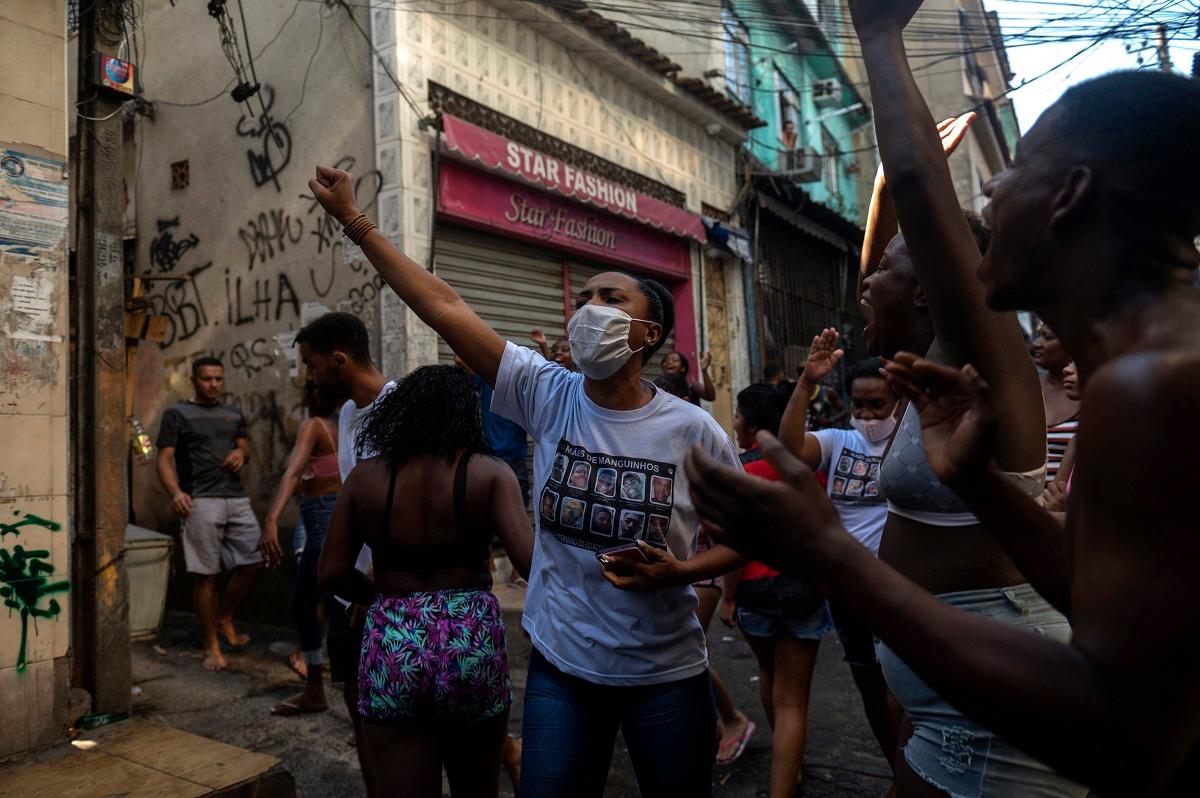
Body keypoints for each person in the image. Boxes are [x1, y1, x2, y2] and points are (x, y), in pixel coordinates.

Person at [685, 4, 1200, 793]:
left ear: (1068, 198)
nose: (992, 188)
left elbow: (1130, 738)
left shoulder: (1156, 382)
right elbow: (1091, 596)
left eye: (1016, 168)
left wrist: (824, 549)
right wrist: (976, 486)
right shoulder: (1141, 368)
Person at [307, 164, 744, 798]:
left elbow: (743, 542)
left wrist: (684, 578)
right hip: (562, 670)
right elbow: (443, 305)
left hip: (666, 674)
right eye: (584, 297)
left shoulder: (694, 431)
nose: (588, 309)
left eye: (610, 298)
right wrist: (354, 221)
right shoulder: (548, 393)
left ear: (649, 334)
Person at [317, 365, 533, 797]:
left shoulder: (367, 477)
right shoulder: (489, 473)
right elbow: (530, 564)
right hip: (469, 638)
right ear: (466, 413)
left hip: (393, 634)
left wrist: (381, 595)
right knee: (478, 787)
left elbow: (332, 571)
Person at [777, 334, 903, 776]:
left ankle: (912, 778)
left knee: (903, 692)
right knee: (869, 686)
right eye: (859, 405)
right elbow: (790, 448)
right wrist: (805, 384)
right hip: (849, 592)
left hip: (900, 590)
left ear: (897, 402)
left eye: (878, 405)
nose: (867, 415)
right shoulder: (837, 442)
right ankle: (895, 771)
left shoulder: (910, 444)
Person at [719, 380, 827, 797]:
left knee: (769, 673)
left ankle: (787, 772)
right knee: (793, 699)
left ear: (750, 426)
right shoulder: (808, 469)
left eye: (739, 416)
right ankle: (789, 771)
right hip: (803, 589)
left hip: (754, 592)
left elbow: (736, 545)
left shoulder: (739, 470)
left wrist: (728, 596)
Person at [294, 312, 392, 764]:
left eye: (311, 366)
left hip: (392, 589)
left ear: (338, 361)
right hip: (357, 588)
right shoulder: (350, 413)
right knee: (355, 692)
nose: (307, 378)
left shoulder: (400, 407)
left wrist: (370, 585)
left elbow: (410, 504)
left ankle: (504, 751)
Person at [155, 357, 261, 672]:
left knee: (255, 561)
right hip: (200, 501)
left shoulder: (233, 413)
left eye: (218, 379)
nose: (213, 384)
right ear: (194, 380)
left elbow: (246, 448)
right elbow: (164, 459)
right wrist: (176, 493)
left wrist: (240, 453)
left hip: (235, 497)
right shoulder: (177, 414)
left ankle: (225, 616)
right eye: (206, 379)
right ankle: (210, 644)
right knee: (206, 576)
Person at [257, 382, 341, 716]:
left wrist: (272, 519)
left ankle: (320, 690)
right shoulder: (341, 423)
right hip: (334, 521)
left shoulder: (313, 426)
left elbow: (293, 472)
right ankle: (321, 690)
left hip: (320, 522)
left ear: (308, 397)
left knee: (309, 604)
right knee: (329, 607)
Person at [456, 354, 530, 506]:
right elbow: (464, 364)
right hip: (489, 457)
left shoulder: (522, 388)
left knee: (513, 511)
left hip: (512, 461)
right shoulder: (485, 381)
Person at [1032, 322, 1080, 483]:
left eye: (1048, 337)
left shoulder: (1088, 395)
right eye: (1038, 336)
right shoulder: (1026, 389)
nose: (1036, 344)